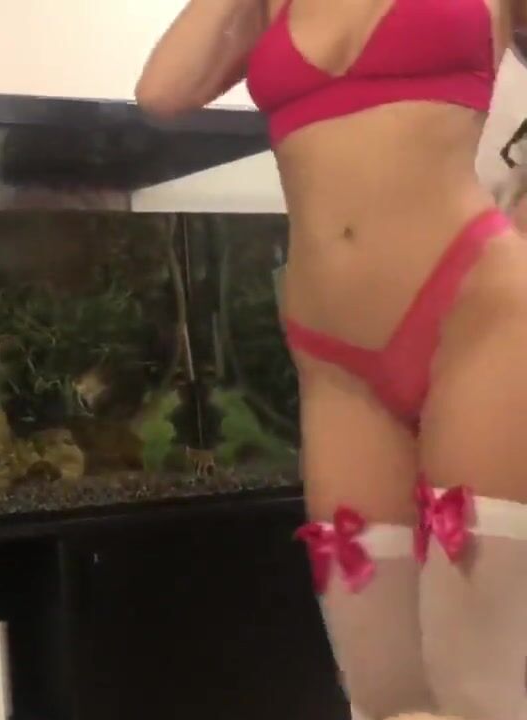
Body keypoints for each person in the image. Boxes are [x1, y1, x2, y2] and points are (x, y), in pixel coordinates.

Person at [138, 2, 527, 719]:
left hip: (478, 315)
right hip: (337, 364)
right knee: (382, 693)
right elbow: (163, 91)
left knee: (482, 692)